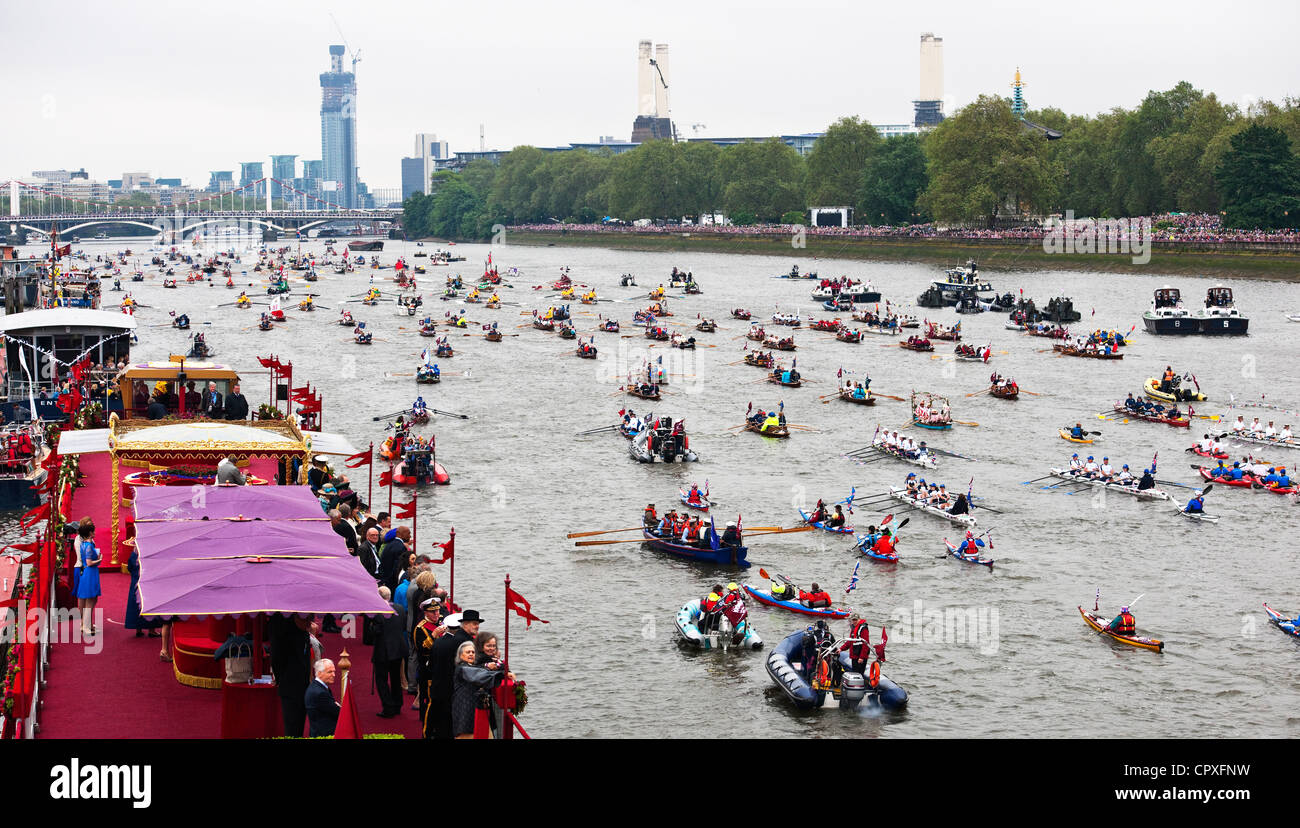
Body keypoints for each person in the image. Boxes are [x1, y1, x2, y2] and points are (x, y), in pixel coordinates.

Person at [429, 609, 481, 740]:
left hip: (443, 689)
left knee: (444, 726)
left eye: (477, 623)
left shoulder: (458, 638)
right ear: (465, 624)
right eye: (474, 623)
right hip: (453, 692)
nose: (477, 626)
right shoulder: (464, 642)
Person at [270, 613, 313, 737]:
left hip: (303, 685)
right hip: (289, 685)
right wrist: (280, 679)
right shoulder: (281, 633)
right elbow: (276, 659)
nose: (309, 623)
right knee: (292, 727)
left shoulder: (304, 633)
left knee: (299, 725)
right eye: (306, 619)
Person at [371, 586, 409, 718]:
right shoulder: (399, 608)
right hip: (398, 648)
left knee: (381, 680)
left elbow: (375, 632)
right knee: (395, 678)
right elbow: (403, 626)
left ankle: (388, 707)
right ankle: (397, 705)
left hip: (383, 651)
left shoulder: (377, 612)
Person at [72, 518, 102, 637]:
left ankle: (87, 623)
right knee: (85, 597)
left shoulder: (87, 541)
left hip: (87, 568)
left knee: (90, 598)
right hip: (83, 568)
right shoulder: (83, 542)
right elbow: (84, 558)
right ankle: (84, 624)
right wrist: (98, 559)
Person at [305, 659, 341, 737]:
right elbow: (339, 713)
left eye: (334, 671)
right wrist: (338, 706)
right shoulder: (320, 693)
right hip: (324, 735)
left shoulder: (316, 686)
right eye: (330, 672)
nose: (334, 675)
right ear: (319, 673)